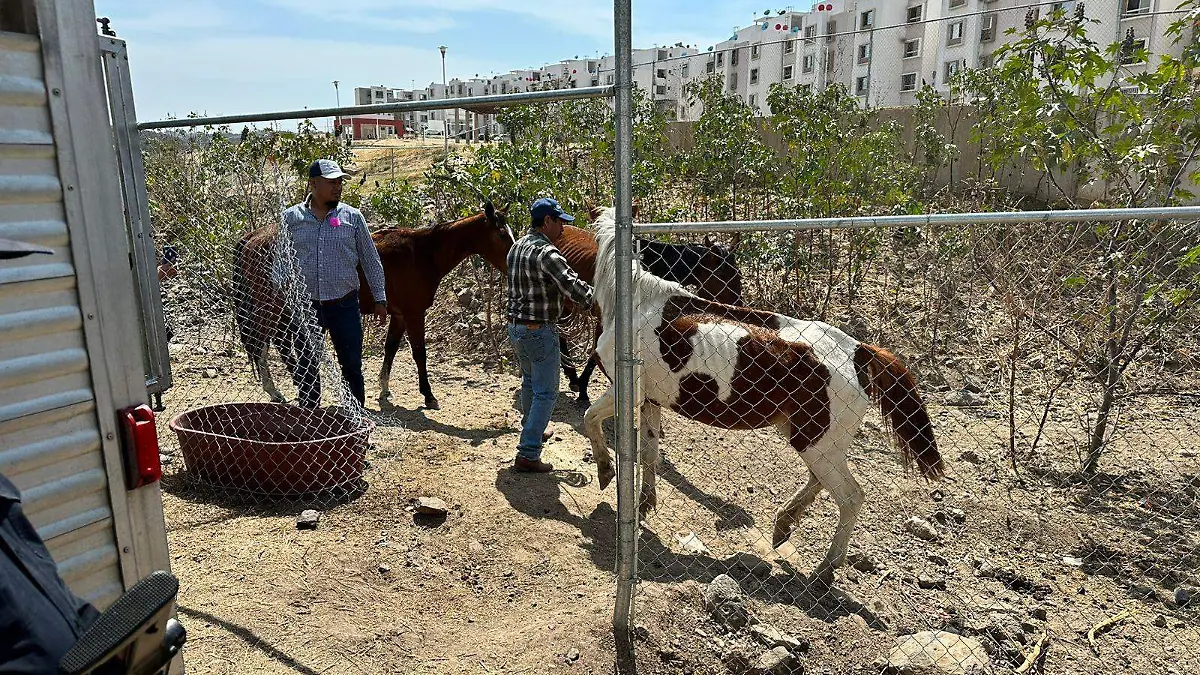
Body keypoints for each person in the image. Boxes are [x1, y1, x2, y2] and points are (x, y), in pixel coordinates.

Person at [283, 159, 388, 407]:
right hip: (306, 306)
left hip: (344, 305)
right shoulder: (291, 218)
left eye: (339, 182)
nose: (337, 187)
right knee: (307, 364)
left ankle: (356, 417)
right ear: (313, 184)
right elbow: (282, 261)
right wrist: (283, 292)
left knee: (351, 364)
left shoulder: (353, 217)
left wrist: (380, 298)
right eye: (331, 182)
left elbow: (370, 259)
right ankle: (310, 417)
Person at [506, 198, 595, 473]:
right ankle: (528, 452)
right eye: (560, 222)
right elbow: (573, 287)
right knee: (547, 392)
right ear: (547, 221)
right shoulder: (548, 253)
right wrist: (599, 298)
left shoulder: (517, 247)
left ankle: (533, 428)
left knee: (530, 382)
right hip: (539, 330)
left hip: (517, 328)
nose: (563, 229)